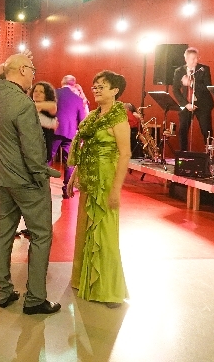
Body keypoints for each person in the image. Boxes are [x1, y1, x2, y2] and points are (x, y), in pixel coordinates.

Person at [0, 54, 62, 315]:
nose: (34, 75)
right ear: (22, 70)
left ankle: (3, 291)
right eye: (32, 69)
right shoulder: (23, 102)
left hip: (0, 176)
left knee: (3, 232)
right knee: (41, 234)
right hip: (25, 180)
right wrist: (42, 174)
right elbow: (32, 147)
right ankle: (35, 298)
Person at [67, 70, 132, 308]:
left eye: (101, 86)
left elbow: (125, 155)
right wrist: (75, 175)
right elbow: (86, 149)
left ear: (115, 90)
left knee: (104, 233)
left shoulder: (119, 119)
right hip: (90, 180)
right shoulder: (93, 117)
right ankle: (85, 280)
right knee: (86, 229)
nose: (95, 90)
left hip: (106, 180)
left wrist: (116, 190)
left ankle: (109, 290)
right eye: (94, 86)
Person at [172, 47, 214, 151]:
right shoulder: (179, 71)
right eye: (193, 59)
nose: (196, 61)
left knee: (206, 131)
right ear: (186, 59)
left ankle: (209, 154)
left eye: (197, 58)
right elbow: (175, 90)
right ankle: (183, 154)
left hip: (202, 104)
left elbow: (207, 87)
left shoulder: (203, 69)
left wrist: (191, 83)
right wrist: (186, 104)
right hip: (186, 104)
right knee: (182, 130)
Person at [51, 75, 86, 198]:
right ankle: (67, 190)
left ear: (62, 82)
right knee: (69, 161)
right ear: (74, 84)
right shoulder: (78, 99)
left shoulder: (53, 93)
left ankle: (41, 186)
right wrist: (81, 136)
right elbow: (82, 119)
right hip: (70, 133)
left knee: (47, 158)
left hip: (54, 130)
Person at [31, 82, 58, 162]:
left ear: (47, 95)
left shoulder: (51, 106)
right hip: (30, 147)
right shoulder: (29, 106)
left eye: (41, 92)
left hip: (43, 150)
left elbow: (52, 106)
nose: (37, 93)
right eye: (35, 91)